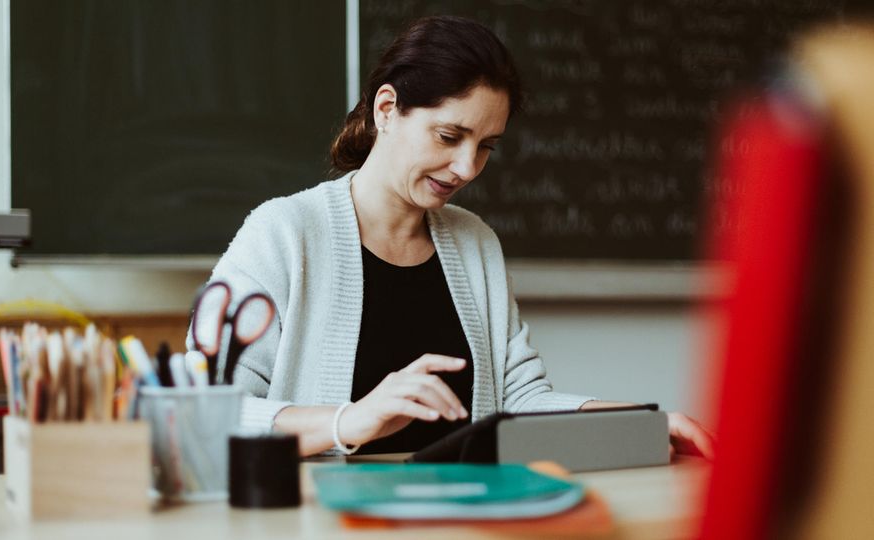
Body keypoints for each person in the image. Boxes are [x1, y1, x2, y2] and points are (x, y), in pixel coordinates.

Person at [190, 15, 713, 458]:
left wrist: (639, 423)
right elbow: (202, 414)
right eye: (449, 136)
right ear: (387, 109)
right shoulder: (283, 233)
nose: (466, 167)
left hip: (466, 517)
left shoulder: (474, 242)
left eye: (487, 146)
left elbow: (519, 400)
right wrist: (348, 421)